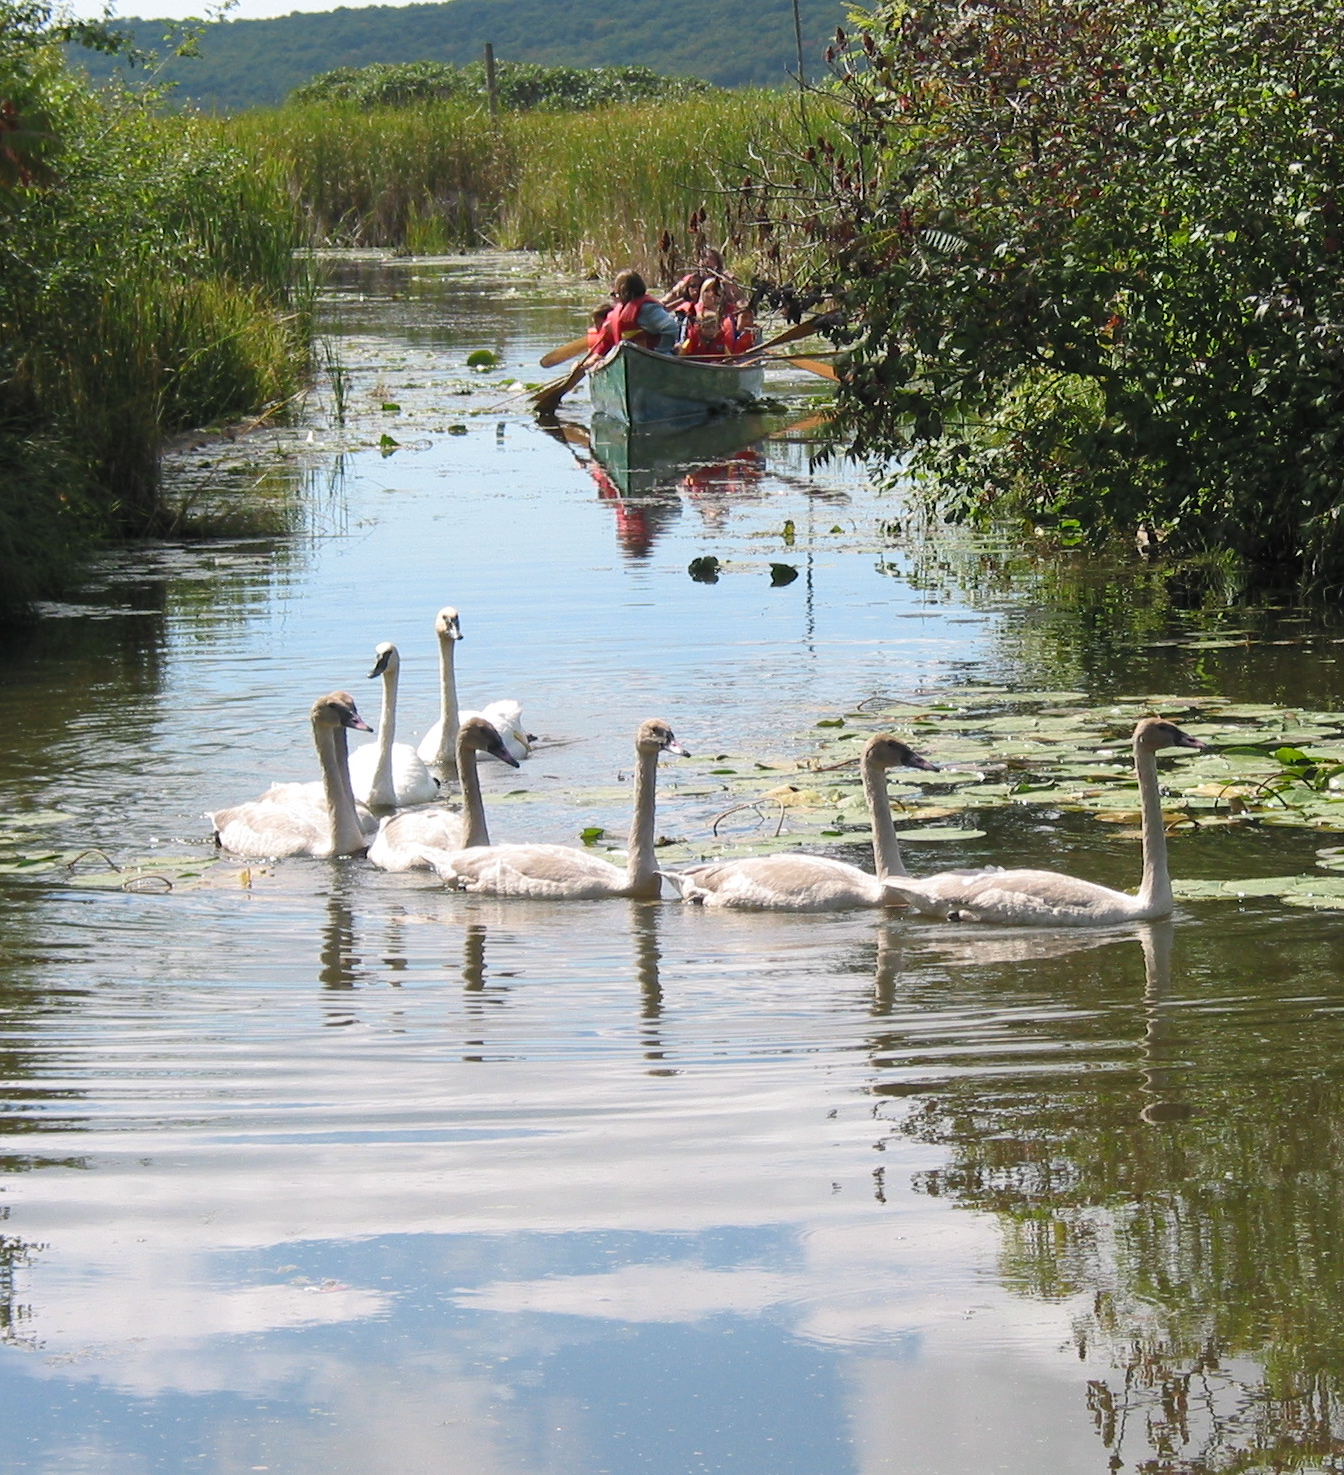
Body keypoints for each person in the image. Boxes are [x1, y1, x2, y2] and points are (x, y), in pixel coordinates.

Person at [595, 270, 679, 356]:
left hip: (655, 356)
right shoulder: (615, 314)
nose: (615, 297)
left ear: (624, 291)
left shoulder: (647, 309)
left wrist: (661, 350)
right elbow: (605, 346)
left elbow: (671, 327)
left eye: (616, 294)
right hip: (628, 356)